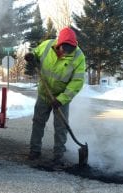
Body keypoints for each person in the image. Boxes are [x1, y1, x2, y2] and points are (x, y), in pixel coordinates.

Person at [24, 27, 86, 161]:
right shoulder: (47, 45)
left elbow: (77, 81)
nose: (66, 53)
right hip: (44, 93)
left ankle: (59, 154)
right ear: (59, 44)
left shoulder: (78, 56)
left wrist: (62, 99)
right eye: (64, 49)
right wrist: (31, 56)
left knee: (61, 126)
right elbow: (35, 53)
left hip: (61, 96)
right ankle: (34, 151)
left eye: (70, 50)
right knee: (38, 122)